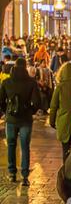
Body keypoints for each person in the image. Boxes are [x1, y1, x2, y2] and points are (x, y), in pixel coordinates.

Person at [0, 58, 40, 186]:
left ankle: (12, 173)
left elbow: (1, 101)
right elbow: (37, 102)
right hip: (26, 120)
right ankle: (24, 176)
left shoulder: (6, 82)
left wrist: (6, 111)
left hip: (11, 119)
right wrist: (30, 111)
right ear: (25, 67)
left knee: (11, 145)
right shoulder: (31, 83)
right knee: (25, 147)